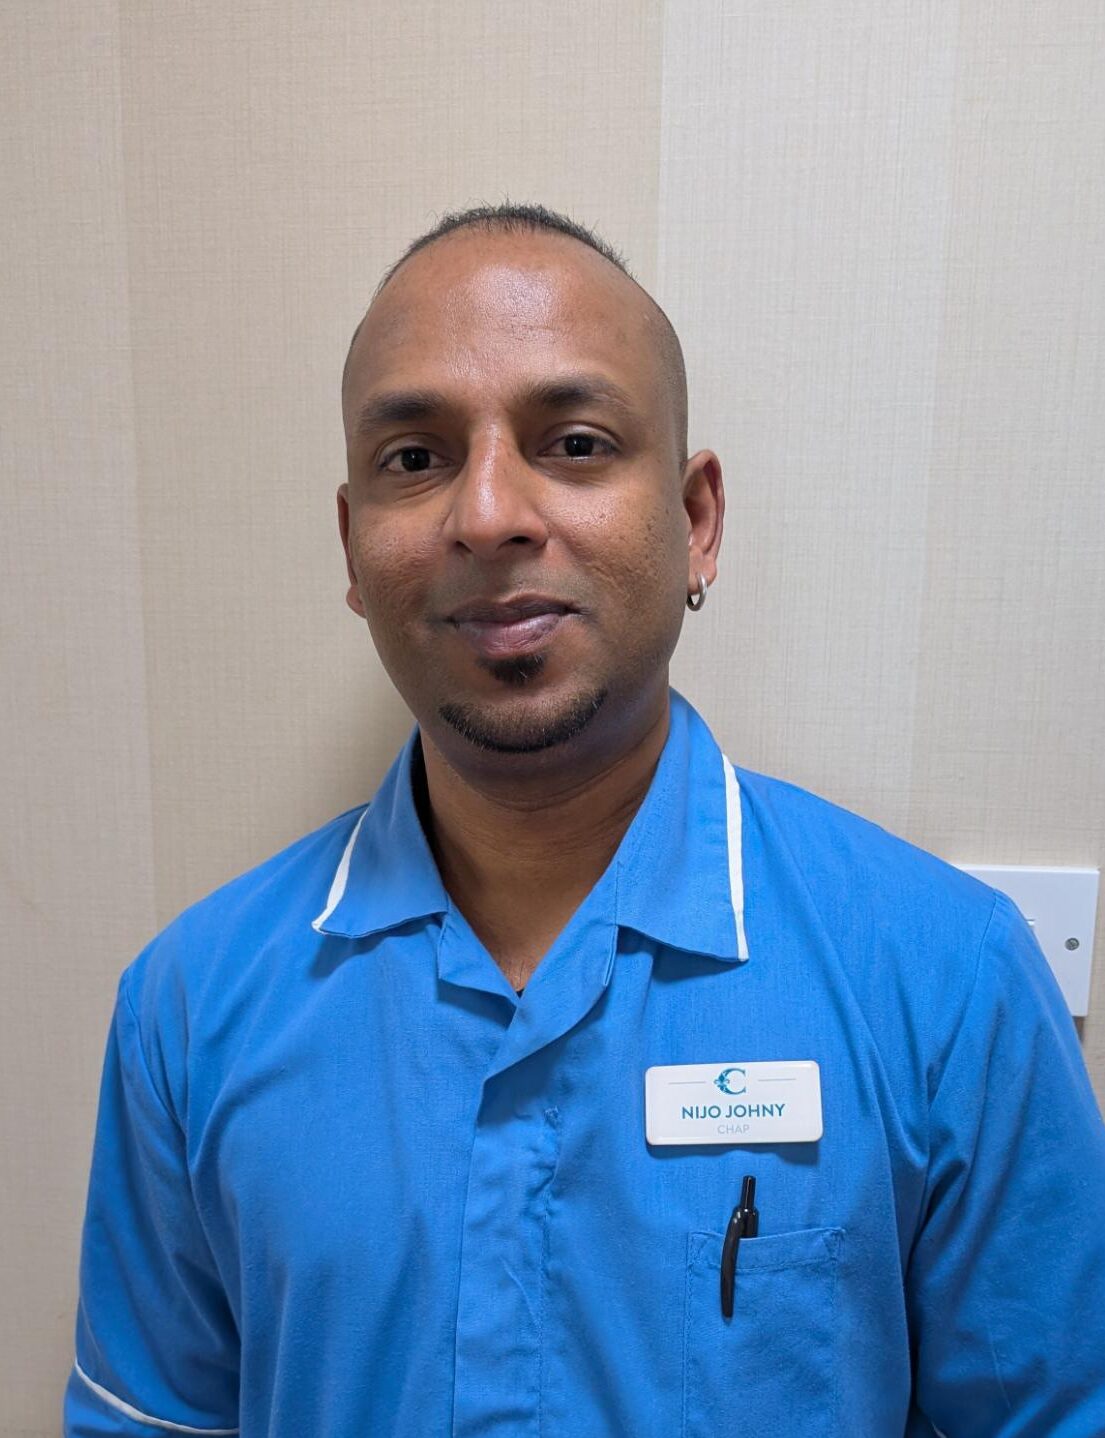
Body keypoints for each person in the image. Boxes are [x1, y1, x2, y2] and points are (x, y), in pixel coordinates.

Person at [64, 203, 1105, 1438]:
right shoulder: (191, 1009)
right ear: (353, 546)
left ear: (696, 519)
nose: (489, 513)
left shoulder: (945, 981)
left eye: (571, 440)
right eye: (415, 458)